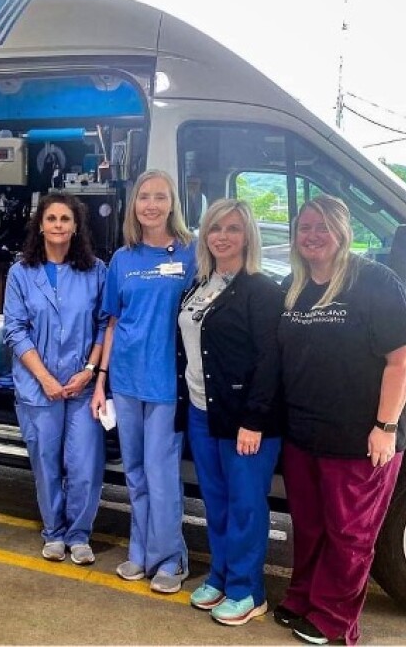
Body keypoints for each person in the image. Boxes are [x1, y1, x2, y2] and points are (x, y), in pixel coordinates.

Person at [276, 195, 406, 645]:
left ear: (342, 231)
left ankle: (334, 620)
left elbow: (402, 358)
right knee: (312, 526)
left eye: (322, 227)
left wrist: (387, 427)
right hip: (304, 435)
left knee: (350, 532)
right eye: (304, 227)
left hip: (361, 438)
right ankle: (303, 597)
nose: (312, 236)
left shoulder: (375, 281)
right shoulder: (294, 287)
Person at [176, 200, 284, 625]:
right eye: (215, 227)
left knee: (246, 506)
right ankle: (221, 575)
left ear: (248, 236)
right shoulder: (201, 283)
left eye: (233, 228)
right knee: (216, 502)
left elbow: (270, 361)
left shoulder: (262, 290)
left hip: (246, 420)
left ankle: (248, 589)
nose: (223, 235)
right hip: (203, 412)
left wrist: (254, 420)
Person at [90, 169, 196, 593]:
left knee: (161, 471)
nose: (151, 204)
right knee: (134, 470)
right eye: (143, 197)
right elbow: (113, 322)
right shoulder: (123, 259)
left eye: (160, 196)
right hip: (126, 380)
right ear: (134, 205)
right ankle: (140, 552)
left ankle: (171, 558)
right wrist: (101, 381)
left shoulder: (191, 255)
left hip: (167, 382)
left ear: (172, 203)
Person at [3, 193, 108, 565]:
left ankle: (79, 535)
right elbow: (15, 331)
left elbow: (103, 326)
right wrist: (45, 378)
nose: (59, 225)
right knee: (46, 462)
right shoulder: (21, 273)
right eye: (52, 219)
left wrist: (89, 372)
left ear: (76, 226)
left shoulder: (96, 271)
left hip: (81, 386)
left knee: (84, 464)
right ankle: (54, 533)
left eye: (66, 218)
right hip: (38, 387)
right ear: (41, 225)